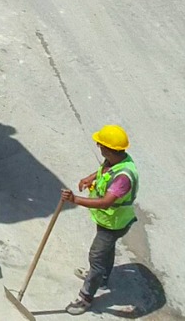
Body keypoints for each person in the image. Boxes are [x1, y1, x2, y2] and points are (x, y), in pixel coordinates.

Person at [61, 125, 141, 315]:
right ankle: (103, 278)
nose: (98, 146)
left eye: (101, 145)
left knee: (96, 257)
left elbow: (106, 203)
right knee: (106, 252)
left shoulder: (123, 177)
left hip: (114, 224)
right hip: (108, 221)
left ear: (109, 149)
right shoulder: (114, 160)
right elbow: (103, 171)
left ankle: (86, 297)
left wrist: (75, 200)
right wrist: (89, 179)